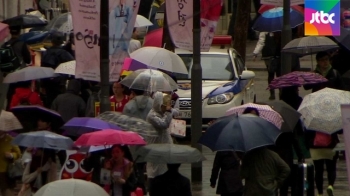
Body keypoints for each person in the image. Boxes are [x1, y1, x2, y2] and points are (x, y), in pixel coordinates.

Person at [146, 92, 173, 191]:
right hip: (155, 150)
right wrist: (169, 113)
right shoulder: (152, 115)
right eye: (163, 106)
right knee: (155, 173)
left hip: (165, 149)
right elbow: (163, 124)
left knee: (164, 173)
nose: (164, 108)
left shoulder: (163, 114)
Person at [40, 31, 74, 108]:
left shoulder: (45, 53)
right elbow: (73, 64)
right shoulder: (64, 54)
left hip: (48, 83)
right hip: (60, 83)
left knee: (49, 104)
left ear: (51, 41)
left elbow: (42, 69)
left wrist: (42, 85)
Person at [305, 130, 339, 196]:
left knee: (318, 171)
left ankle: (320, 193)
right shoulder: (332, 121)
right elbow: (339, 131)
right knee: (332, 169)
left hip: (315, 148)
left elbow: (306, 134)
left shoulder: (312, 121)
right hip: (330, 148)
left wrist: (308, 145)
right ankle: (330, 185)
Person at [253, 32, 281, 100]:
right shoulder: (280, 29)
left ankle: (272, 93)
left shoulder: (265, 31)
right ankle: (280, 92)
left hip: (268, 56)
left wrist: (255, 53)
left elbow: (261, 42)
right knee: (279, 74)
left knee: (271, 74)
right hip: (278, 55)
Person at [0, 130, 21, 196]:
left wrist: (11, 155)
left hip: (5, 170)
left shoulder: (10, 139)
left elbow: (18, 154)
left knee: (6, 191)